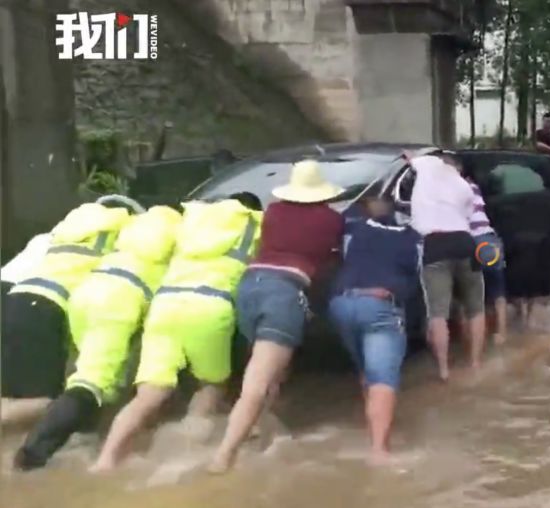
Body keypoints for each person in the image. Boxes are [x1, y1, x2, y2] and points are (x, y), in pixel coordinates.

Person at [90, 194, 263, 473]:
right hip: (208, 307)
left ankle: (106, 460)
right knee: (212, 384)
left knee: (148, 396)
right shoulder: (253, 225)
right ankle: (185, 455)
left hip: (164, 307)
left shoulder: (192, 223)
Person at [13, 206, 183, 471]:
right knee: (89, 385)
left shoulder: (124, 235)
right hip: (117, 302)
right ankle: (31, 457)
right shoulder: (178, 238)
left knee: (92, 378)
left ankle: (85, 436)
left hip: (84, 295)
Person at [208, 161, 344, 474]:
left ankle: (255, 431)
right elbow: (328, 261)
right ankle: (223, 457)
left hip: (249, 287)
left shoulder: (273, 212)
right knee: (257, 383)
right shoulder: (331, 220)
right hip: (284, 292)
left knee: (267, 371)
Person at [1, 203, 131, 427]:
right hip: (40, 304)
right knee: (44, 402)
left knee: (13, 394)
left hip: (10, 295)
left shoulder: (55, 235)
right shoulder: (122, 242)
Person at [327, 196, 420, 462]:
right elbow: (417, 278)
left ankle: (368, 425)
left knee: (365, 369)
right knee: (382, 377)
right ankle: (379, 450)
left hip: (341, 302)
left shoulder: (353, 229)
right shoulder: (411, 237)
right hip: (379, 304)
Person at [408, 151, 485, 381]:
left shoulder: (427, 163)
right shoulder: (464, 186)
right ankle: (475, 363)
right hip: (464, 241)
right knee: (476, 307)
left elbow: (407, 157)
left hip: (435, 243)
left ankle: (443, 370)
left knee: (437, 313)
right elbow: (467, 216)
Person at [466, 176, 507, 345]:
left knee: (470, 292)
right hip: (489, 240)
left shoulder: (450, 188)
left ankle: (472, 338)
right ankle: (502, 333)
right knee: (497, 288)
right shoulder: (474, 186)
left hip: (471, 241)